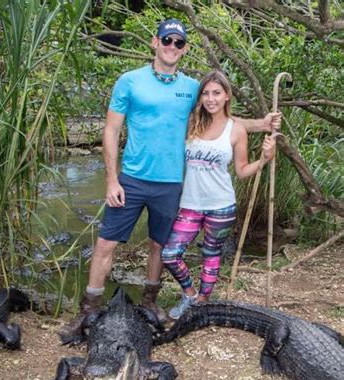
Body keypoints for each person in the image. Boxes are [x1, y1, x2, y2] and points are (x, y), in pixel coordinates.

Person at [59, 19, 280, 338]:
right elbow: (111, 130)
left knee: (158, 245)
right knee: (105, 243)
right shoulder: (129, 81)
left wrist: (260, 124)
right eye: (167, 40)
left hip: (172, 184)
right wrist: (111, 180)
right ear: (155, 42)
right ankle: (88, 310)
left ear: (185, 48)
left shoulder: (191, 88)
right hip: (131, 180)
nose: (171, 47)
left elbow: (219, 117)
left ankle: (150, 303)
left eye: (178, 42)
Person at [162, 70, 277, 319]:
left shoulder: (236, 130)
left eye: (216, 93)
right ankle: (189, 294)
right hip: (190, 204)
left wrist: (264, 159)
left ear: (227, 96)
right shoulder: (193, 123)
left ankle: (203, 301)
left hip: (221, 205)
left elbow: (242, 171)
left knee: (211, 253)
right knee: (170, 254)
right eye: (205, 93)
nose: (210, 98)